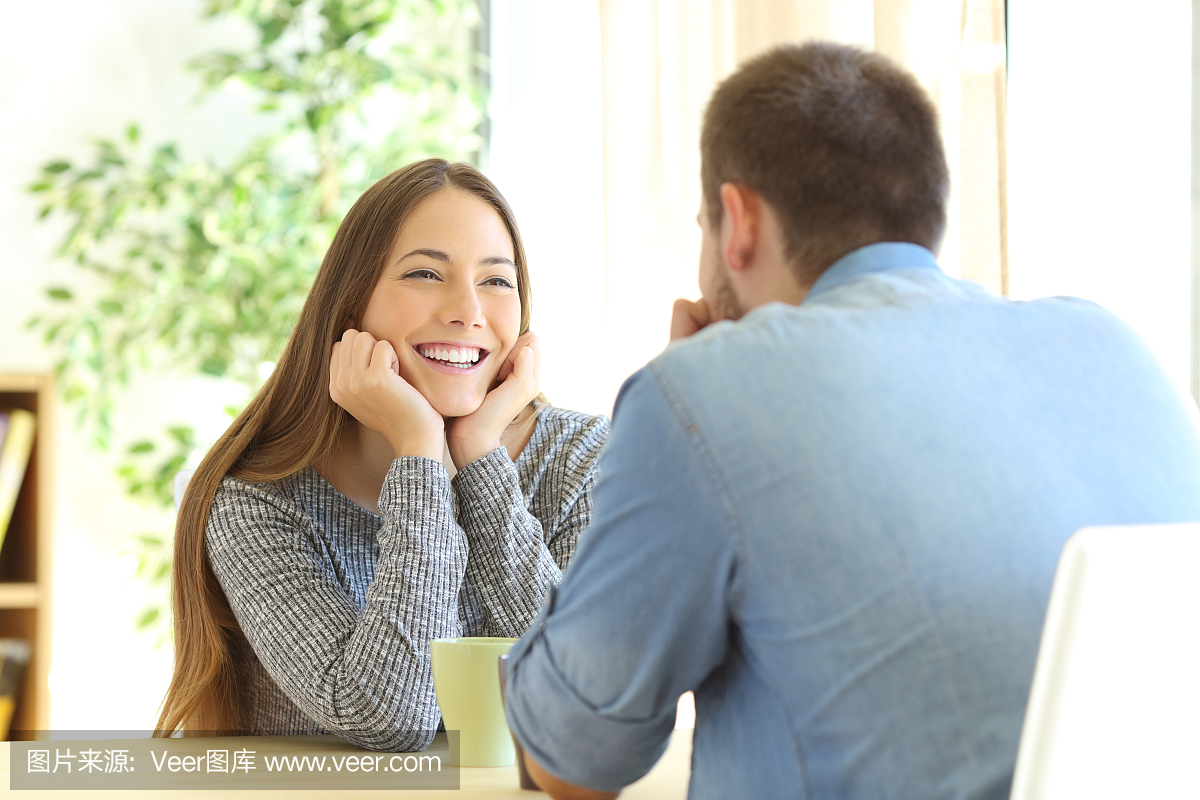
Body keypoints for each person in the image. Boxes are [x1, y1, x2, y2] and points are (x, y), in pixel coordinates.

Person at [502, 42, 1200, 800]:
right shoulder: (1114, 348)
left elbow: (570, 765)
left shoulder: (707, 392)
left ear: (737, 221)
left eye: (705, 222)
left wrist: (684, 409)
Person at [154, 159, 609, 751]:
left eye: (497, 280)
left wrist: (479, 464)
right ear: (350, 308)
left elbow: (586, 700)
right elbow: (392, 718)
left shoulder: (581, 459)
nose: (468, 311)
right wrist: (419, 454)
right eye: (424, 273)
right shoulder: (257, 502)